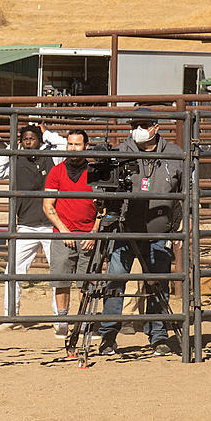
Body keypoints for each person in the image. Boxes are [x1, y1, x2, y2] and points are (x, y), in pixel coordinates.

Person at [97, 108, 184, 357]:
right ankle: (108, 336)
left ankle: (158, 336)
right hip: (125, 228)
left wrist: (182, 223)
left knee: (158, 283)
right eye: (134, 124)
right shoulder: (121, 153)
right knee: (115, 281)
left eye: (143, 124)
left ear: (156, 127)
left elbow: (187, 191)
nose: (138, 129)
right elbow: (105, 187)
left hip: (159, 230)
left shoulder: (175, 155)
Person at [0, 124, 67, 332]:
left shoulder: (54, 156)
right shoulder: (16, 157)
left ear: (40, 139)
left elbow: (67, 145)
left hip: (52, 225)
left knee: (58, 272)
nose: (28, 142)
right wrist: (11, 149)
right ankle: (10, 316)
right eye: (25, 139)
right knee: (13, 271)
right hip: (25, 224)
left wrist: (48, 133)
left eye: (32, 138)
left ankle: (60, 318)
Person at [42, 130, 100, 339]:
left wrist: (94, 232)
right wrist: (63, 231)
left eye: (77, 144)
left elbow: (102, 206)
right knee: (61, 279)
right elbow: (48, 205)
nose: (73, 149)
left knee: (87, 281)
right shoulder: (57, 171)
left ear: (86, 146)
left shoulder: (95, 171)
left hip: (88, 234)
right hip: (63, 234)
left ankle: (84, 322)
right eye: (70, 144)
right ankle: (62, 320)